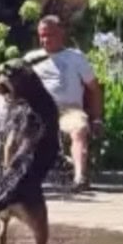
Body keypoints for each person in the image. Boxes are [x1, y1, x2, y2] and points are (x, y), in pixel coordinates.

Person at [25, 15, 103, 192]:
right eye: (42, 35)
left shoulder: (75, 58)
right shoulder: (32, 59)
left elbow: (95, 89)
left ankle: (80, 177)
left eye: (50, 34)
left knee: (79, 129)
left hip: (69, 110)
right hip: (39, 111)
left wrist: (97, 119)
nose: (45, 39)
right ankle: (9, 178)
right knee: (17, 130)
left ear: (61, 33)